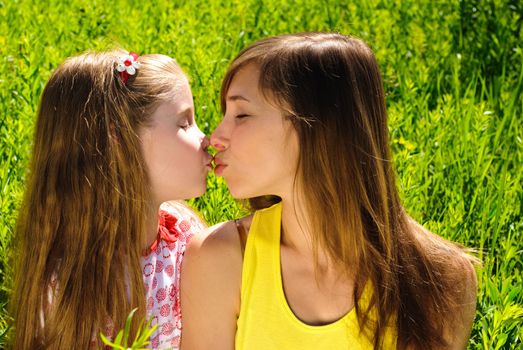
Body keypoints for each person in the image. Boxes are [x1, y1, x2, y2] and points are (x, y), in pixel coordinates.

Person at [180, 33, 479, 349]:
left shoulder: (441, 278)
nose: (216, 137)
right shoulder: (220, 259)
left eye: (241, 115)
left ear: (317, 126)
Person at [9, 49, 212, 349]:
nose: (205, 138)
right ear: (119, 142)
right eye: (184, 123)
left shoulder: (186, 238)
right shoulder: (64, 284)